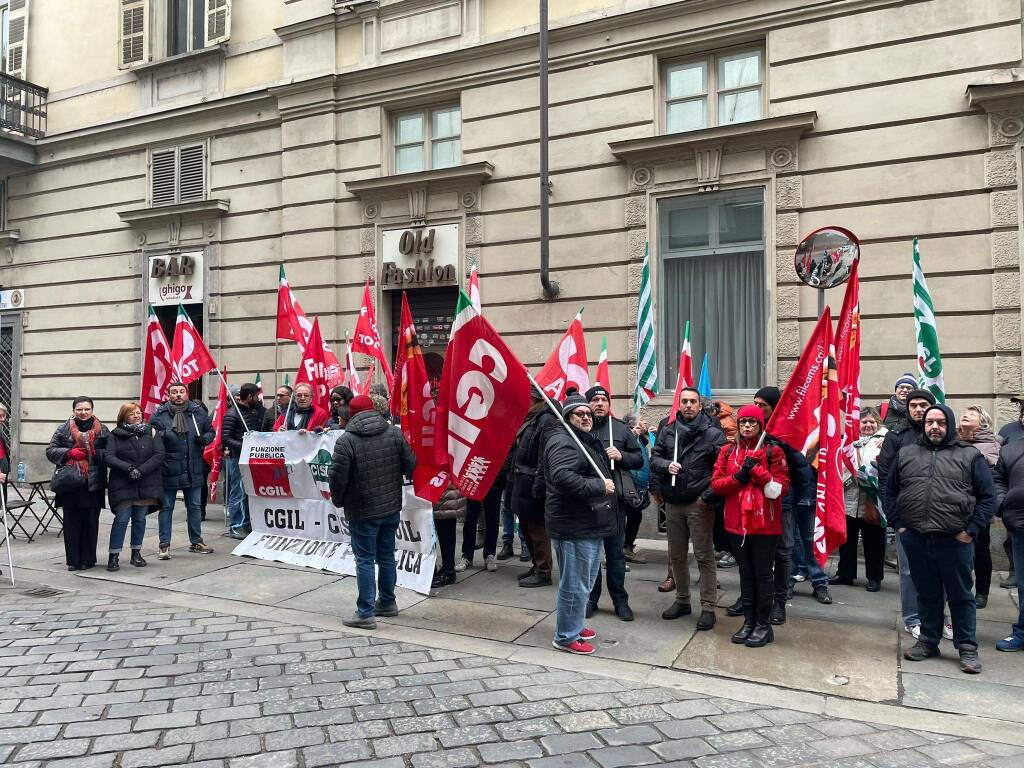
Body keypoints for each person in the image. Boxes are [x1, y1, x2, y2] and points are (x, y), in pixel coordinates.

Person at [885, 403, 996, 674]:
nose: (935, 427)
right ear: (924, 426)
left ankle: (967, 647)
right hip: (917, 538)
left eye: (941, 422)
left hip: (955, 540)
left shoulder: (969, 455)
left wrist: (970, 531)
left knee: (960, 595)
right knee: (927, 593)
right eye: (930, 422)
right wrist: (899, 525)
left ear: (949, 425)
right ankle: (928, 640)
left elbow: (988, 498)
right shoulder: (906, 453)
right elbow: (889, 493)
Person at [329, 394, 416, 629]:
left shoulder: (346, 440)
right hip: (390, 506)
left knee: (365, 559)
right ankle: (387, 602)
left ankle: (365, 612)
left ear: (352, 414)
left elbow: (337, 478)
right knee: (386, 555)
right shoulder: (394, 433)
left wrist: (338, 500)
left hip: (362, 509)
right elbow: (410, 465)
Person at [741, 387, 824, 627]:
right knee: (753, 553)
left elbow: (801, 468)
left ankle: (779, 600)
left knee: (783, 551)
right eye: (754, 403)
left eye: (762, 404)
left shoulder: (786, 434)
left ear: (774, 407)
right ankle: (750, 598)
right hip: (752, 503)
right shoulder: (751, 430)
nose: (756, 408)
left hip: (783, 503)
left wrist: (798, 496)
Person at [543, 395, 617, 655]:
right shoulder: (564, 441)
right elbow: (562, 477)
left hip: (586, 523)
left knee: (583, 580)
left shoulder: (582, 439)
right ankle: (565, 637)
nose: (586, 417)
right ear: (567, 418)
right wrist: (600, 485)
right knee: (575, 584)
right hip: (574, 526)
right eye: (579, 414)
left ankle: (574, 624)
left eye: (588, 413)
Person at [710, 404, 789, 647]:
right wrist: (739, 477)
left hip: (765, 524)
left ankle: (763, 625)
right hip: (737, 525)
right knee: (745, 573)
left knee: (763, 574)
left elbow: (779, 489)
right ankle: (748, 621)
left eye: (752, 422)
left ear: (760, 425)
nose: (746, 426)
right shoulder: (726, 451)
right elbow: (717, 484)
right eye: (743, 422)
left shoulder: (772, 452)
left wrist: (757, 471)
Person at [650, 386, 726, 631]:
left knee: (704, 556)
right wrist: (665, 466)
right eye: (684, 401)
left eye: (693, 401)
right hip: (673, 502)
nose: (688, 406)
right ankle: (682, 600)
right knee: (677, 557)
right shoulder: (669, 430)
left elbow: (722, 468)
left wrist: (707, 497)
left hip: (698, 503)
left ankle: (708, 607)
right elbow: (655, 457)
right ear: (679, 404)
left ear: (700, 405)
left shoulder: (713, 434)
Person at [877, 388, 945, 639]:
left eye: (923, 405)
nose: (918, 409)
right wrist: (893, 516)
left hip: (940, 516)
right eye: (913, 405)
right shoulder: (896, 437)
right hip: (907, 516)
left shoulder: (943, 434)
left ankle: (938, 617)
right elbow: (884, 478)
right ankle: (912, 617)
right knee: (909, 571)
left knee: (939, 570)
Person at [584, 384, 641, 622]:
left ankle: (620, 601)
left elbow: (638, 459)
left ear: (609, 404)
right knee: (591, 555)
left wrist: (622, 456)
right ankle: (591, 599)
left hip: (615, 503)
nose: (599, 403)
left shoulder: (620, 429)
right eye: (594, 400)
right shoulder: (580, 430)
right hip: (588, 503)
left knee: (615, 554)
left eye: (603, 400)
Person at [150, 382, 215, 559]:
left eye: (181, 391)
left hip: (193, 467)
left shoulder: (197, 412)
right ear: (168, 395)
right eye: (174, 392)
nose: (178, 395)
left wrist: (206, 439)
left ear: (186, 394)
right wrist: (165, 436)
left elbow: (211, 431)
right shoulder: (159, 415)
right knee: (167, 507)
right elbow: (151, 436)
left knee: (194, 506)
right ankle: (164, 544)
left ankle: (196, 541)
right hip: (169, 468)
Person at [98, 403, 164, 571]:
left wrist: (141, 471)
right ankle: (114, 556)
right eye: (132, 414)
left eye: (138, 413)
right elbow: (109, 456)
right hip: (123, 483)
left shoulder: (152, 432)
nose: (137, 416)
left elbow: (159, 455)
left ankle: (136, 553)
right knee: (121, 519)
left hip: (146, 482)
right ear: (123, 417)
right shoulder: (115, 435)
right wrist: (128, 469)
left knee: (140, 519)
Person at [46, 397, 109, 572]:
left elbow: (110, 452)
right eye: (79, 409)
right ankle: (73, 560)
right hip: (70, 483)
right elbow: (50, 451)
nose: (83, 413)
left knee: (90, 522)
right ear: (74, 411)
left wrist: (95, 453)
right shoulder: (63, 429)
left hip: (92, 482)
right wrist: (69, 453)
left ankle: (88, 559)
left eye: (87, 409)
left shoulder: (102, 430)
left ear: (92, 410)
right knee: (71, 523)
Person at [831, 407, 887, 591]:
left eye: (872, 422)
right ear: (857, 424)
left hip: (872, 500)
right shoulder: (848, 442)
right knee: (847, 540)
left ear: (878, 423)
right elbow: (839, 467)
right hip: (849, 498)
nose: (868, 425)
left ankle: (874, 577)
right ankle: (845, 574)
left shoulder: (885, 441)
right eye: (864, 422)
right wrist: (850, 479)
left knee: (874, 540)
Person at [510, 390, 558, 588]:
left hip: (533, 482)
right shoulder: (530, 419)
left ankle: (544, 571)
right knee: (526, 528)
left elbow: (543, 456)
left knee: (537, 529)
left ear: (536, 400)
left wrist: (539, 486)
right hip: (522, 480)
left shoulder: (545, 420)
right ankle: (536, 565)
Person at [958, 404, 1000, 609]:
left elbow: (990, 474)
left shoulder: (991, 443)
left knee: (981, 550)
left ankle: (982, 591)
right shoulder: (955, 441)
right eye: (964, 414)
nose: (965, 415)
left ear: (982, 421)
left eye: (972, 414)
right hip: (956, 506)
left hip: (978, 506)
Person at [992, 426, 1024, 651]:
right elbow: (997, 480)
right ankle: (1022, 632)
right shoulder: (1011, 448)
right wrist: (1004, 504)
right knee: (1023, 584)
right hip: (1020, 525)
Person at [220, 383, 264, 540]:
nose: (259, 399)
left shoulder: (252, 411)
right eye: (256, 396)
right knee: (237, 492)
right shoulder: (232, 414)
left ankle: (246, 523)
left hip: (249, 457)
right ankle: (236, 525)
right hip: (237, 458)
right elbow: (225, 438)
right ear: (250, 396)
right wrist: (245, 445)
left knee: (247, 492)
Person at [998, 394, 1024, 589]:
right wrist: (1002, 502)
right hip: (1015, 508)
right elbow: (999, 469)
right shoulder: (1008, 430)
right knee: (1012, 541)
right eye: (1021, 405)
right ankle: (1014, 571)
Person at [622, 413, 651, 565]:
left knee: (635, 517)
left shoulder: (641, 439)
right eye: (642, 421)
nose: (645, 423)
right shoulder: (627, 436)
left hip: (640, 484)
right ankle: (618, 552)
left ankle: (626, 548)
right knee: (627, 516)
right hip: (630, 484)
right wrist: (633, 435)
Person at [432, 482, 467, 588]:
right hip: (444, 490)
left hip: (444, 491)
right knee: (446, 532)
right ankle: (447, 569)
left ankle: (448, 571)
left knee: (446, 532)